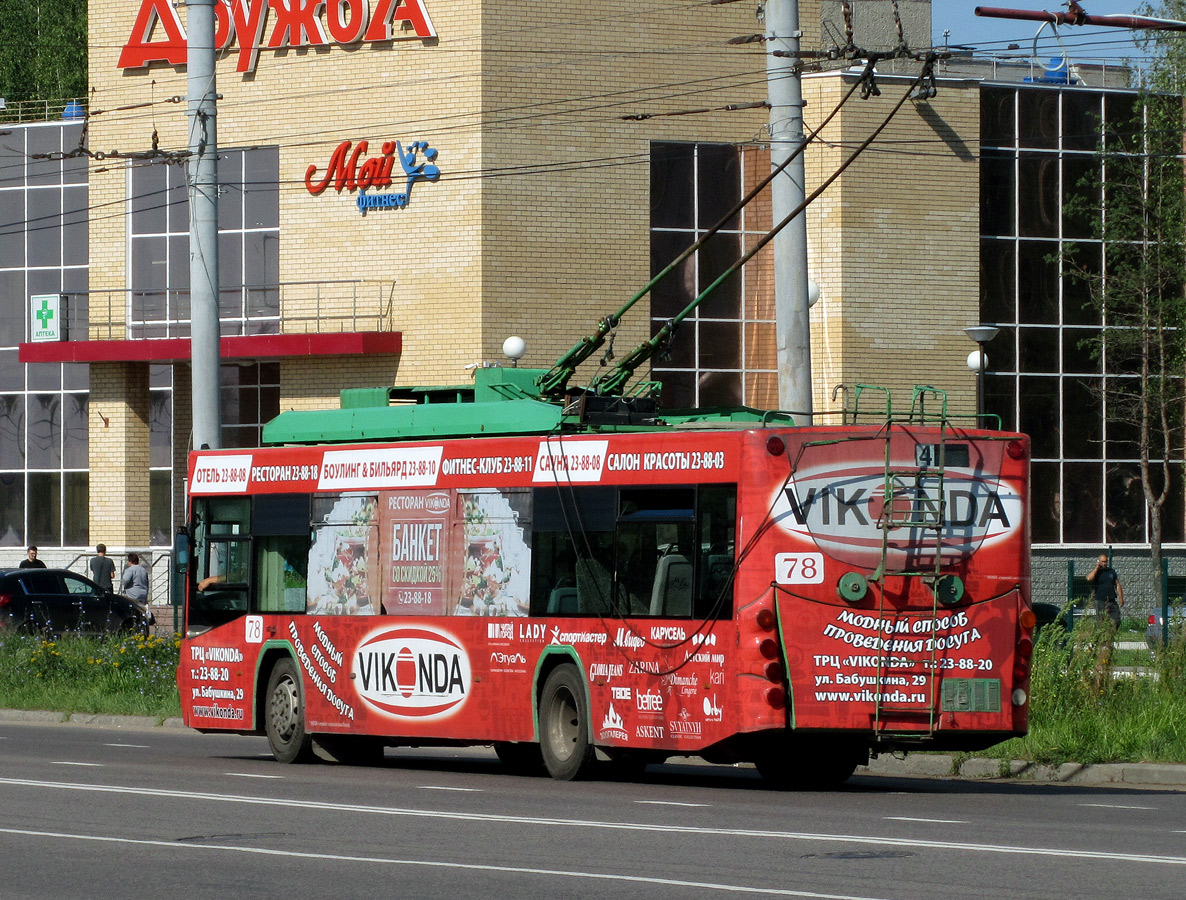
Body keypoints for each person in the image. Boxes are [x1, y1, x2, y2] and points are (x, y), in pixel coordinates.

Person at [1087, 551, 1124, 630]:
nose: (1104, 563)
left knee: (1117, 620)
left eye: (1105, 561)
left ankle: (1111, 633)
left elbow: (1117, 584)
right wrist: (1097, 567)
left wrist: (1121, 598)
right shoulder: (1096, 572)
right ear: (1099, 561)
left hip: (1111, 600)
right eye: (1102, 561)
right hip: (1101, 600)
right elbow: (1089, 578)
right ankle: (1103, 636)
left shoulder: (1111, 571)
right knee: (1102, 621)